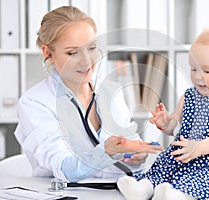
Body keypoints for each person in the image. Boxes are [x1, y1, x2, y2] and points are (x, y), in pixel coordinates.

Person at [14, 6, 162, 182]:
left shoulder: (111, 90)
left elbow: (128, 150)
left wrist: (135, 157)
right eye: (72, 52)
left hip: (115, 192)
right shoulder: (35, 102)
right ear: (48, 53)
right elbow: (65, 169)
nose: (86, 61)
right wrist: (107, 152)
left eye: (91, 48)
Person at [117, 27, 209, 200]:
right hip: (183, 154)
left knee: (201, 180)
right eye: (193, 69)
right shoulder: (189, 96)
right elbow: (173, 124)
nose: (197, 77)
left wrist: (199, 147)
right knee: (162, 167)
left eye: (207, 71)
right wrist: (165, 122)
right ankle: (143, 189)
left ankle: (178, 196)